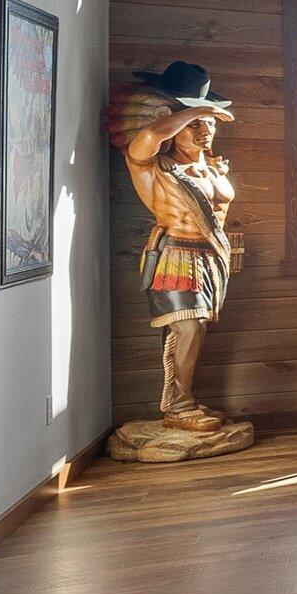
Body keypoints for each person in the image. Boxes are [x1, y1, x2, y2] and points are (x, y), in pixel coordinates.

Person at [111, 62, 238, 430]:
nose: (204, 130)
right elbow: (149, 136)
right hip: (176, 255)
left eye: (209, 124)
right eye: (194, 123)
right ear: (174, 124)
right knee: (187, 328)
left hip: (211, 258)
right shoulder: (155, 167)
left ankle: (187, 401)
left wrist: (197, 115)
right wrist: (198, 109)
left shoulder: (214, 169)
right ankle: (178, 408)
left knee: (196, 331)